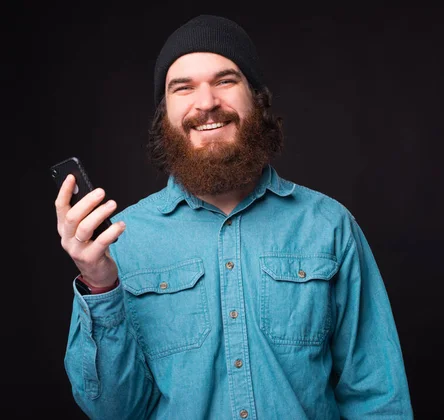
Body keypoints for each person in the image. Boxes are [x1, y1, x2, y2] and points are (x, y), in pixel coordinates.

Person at [55, 14, 414, 419]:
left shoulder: (329, 226)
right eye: (183, 88)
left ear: (257, 99)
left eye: (225, 80)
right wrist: (101, 285)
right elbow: (113, 411)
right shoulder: (120, 241)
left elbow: (378, 396)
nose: (206, 102)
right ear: (164, 114)